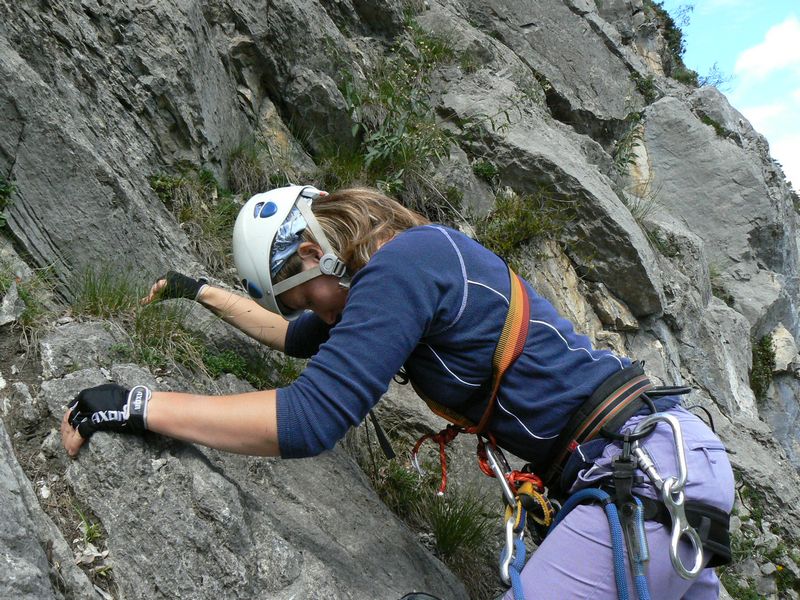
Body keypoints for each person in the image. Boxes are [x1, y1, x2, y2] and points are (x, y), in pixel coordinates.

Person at [61, 184, 734, 599]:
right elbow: (294, 337)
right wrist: (196, 290)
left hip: (642, 479)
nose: (318, 315)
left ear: (310, 255)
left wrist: (135, 404)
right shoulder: (408, 267)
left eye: (303, 295)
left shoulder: (404, 266)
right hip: (660, 469)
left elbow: (309, 418)